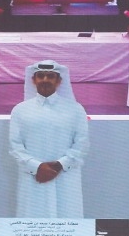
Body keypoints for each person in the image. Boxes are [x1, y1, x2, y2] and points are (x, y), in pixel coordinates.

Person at [9, 60, 90, 218]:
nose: (45, 80)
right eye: (41, 76)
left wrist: (60, 165)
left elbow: (82, 144)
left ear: (59, 81)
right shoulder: (20, 110)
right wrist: (37, 167)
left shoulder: (75, 109)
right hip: (33, 175)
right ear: (33, 80)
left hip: (66, 175)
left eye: (50, 76)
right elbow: (15, 146)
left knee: (67, 216)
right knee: (33, 220)